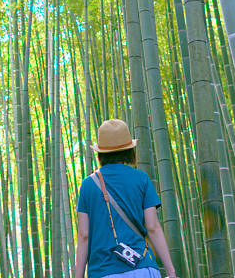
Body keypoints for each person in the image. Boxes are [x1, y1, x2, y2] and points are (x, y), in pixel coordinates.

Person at [75, 119, 178, 278]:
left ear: (100, 152)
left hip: (104, 272)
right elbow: (153, 227)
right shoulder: (141, 178)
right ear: (130, 150)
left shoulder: (88, 185)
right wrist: (171, 272)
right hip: (143, 268)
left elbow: (84, 235)